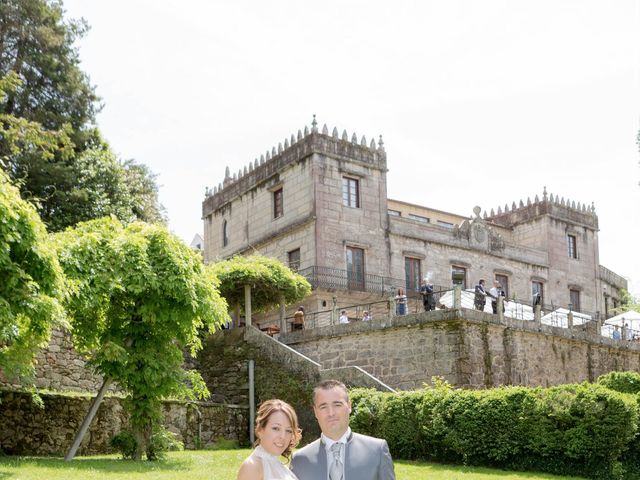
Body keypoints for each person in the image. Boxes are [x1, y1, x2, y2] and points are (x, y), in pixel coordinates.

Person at [291, 379, 395, 480]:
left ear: (349, 406)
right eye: (323, 407)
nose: (331, 413)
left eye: (337, 405)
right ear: (315, 412)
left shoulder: (377, 451)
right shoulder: (299, 460)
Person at [237, 399, 302, 480]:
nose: (283, 436)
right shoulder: (252, 466)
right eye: (276, 428)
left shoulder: (276, 464)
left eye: (288, 431)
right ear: (260, 430)